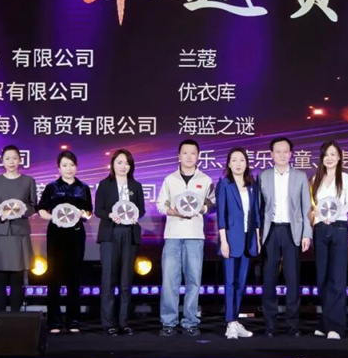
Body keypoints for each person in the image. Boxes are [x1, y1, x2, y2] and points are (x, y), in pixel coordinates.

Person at [156, 139, 215, 337]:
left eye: (193, 153)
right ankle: (168, 322)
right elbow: (160, 204)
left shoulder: (205, 179)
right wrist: (172, 211)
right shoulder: (170, 179)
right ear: (178, 156)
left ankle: (190, 322)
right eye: (185, 153)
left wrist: (202, 209)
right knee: (169, 281)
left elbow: (212, 203)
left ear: (198, 156)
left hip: (195, 236)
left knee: (193, 281)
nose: (189, 157)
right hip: (173, 235)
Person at [259, 137, 312, 337]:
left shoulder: (300, 176)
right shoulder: (263, 176)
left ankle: (293, 324)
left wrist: (307, 233)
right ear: (271, 154)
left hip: (292, 231)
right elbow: (259, 209)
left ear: (291, 154)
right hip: (270, 231)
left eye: (285, 151)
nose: (282, 155)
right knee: (269, 278)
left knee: (293, 278)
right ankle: (270, 324)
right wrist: (258, 234)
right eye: (277, 151)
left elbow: (306, 208)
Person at [37, 150, 93, 334]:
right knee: (54, 277)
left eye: (72, 165)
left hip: (76, 235)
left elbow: (89, 212)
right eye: (65, 165)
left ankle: (73, 320)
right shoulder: (51, 187)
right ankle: (54, 321)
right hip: (56, 235)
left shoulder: (83, 188)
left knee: (74, 278)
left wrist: (83, 214)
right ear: (59, 168)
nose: (69, 169)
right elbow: (41, 210)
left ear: (76, 167)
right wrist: (54, 217)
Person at [94, 149, 145, 336]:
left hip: (129, 234)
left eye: (127, 163)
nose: (123, 166)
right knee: (108, 279)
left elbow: (141, 210)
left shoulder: (136, 186)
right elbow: (98, 210)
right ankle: (108, 323)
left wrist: (135, 215)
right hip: (110, 233)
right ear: (113, 164)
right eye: (120, 162)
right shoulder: (104, 185)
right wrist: (110, 215)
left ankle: (124, 322)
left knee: (126, 280)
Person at [0, 145, 37, 312]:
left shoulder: (28, 181)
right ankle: (0, 315)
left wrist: (22, 211)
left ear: (20, 160)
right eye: (7, 158)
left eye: (14, 158)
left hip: (19, 232)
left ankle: (15, 317)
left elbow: (33, 205)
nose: (11, 162)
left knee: (17, 278)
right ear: (2, 161)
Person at [309, 141, 348, 340]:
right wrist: (317, 214)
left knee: (337, 278)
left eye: (333, 154)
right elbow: (313, 206)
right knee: (323, 278)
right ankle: (325, 323)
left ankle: (336, 326)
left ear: (339, 157)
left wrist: (334, 214)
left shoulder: (346, 178)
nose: (329, 158)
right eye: (326, 154)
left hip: (338, 228)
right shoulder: (315, 179)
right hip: (320, 229)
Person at [216, 147, 261, 339]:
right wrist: (223, 241)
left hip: (248, 239)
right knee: (230, 282)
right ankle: (230, 323)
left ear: (247, 163)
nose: (238, 164)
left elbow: (256, 214)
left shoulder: (252, 184)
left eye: (241, 160)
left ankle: (235, 321)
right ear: (228, 163)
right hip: (231, 239)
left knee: (241, 283)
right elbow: (221, 215)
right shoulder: (224, 184)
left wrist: (257, 238)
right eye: (234, 160)